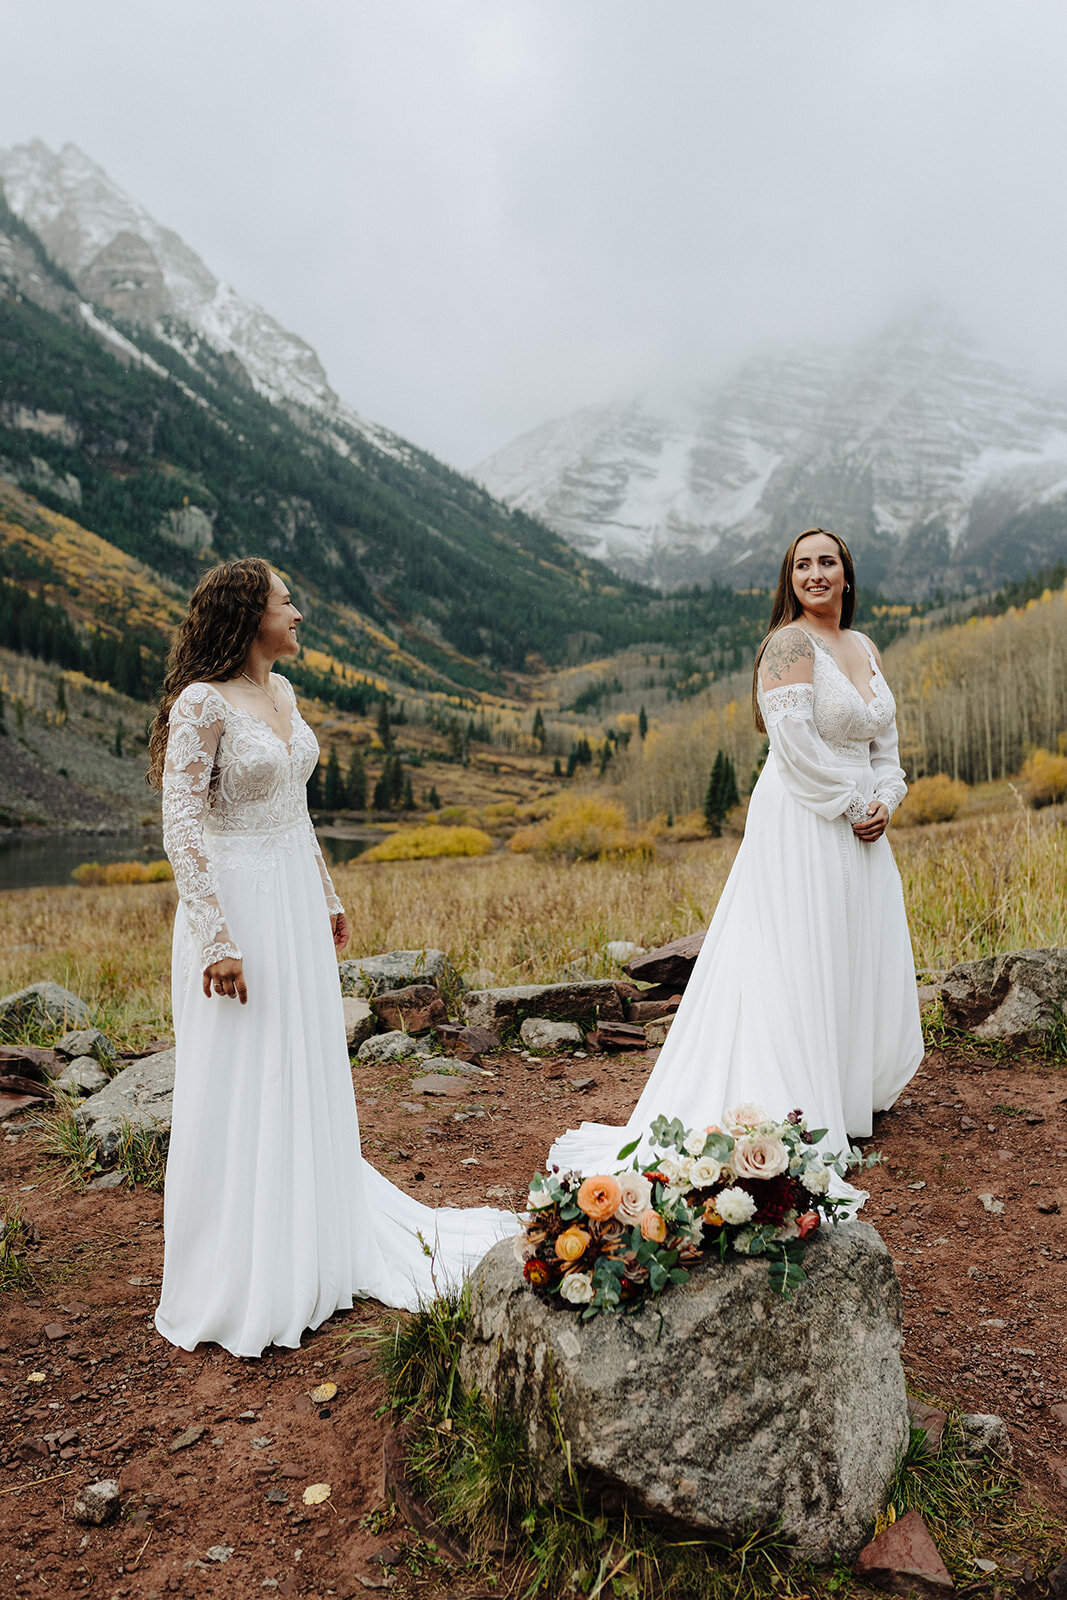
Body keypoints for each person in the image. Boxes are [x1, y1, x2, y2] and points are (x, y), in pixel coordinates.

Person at [147, 558, 511, 1359]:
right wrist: (216, 941)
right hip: (237, 910)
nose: (299, 613)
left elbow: (294, 811)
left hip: (290, 903)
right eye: (287, 602)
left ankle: (309, 1235)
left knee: (302, 1061)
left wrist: (328, 892)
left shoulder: (280, 694)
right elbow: (181, 829)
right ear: (249, 617)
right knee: (244, 1070)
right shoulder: (201, 704)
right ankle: (243, 1268)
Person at [547, 526, 923, 1179]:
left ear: (846, 574)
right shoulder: (786, 645)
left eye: (826, 562)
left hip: (863, 819)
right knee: (800, 948)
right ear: (789, 579)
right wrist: (851, 804)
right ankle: (797, 1102)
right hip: (804, 815)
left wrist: (886, 800)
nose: (814, 573)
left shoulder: (863, 647)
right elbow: (793, 746)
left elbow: (883, 750)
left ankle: (842, 1091)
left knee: (851, 945)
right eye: (801, 564)